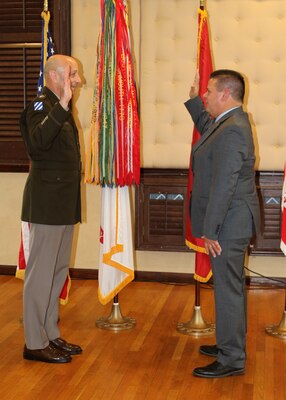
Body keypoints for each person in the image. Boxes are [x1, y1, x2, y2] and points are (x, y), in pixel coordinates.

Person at [184, 69, 260, 378]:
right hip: (230, 220)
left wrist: (211, 231)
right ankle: (230, 344)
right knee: (230, 287)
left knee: (228, 290)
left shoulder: (233, 129)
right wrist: (192, 101)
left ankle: (231, 359)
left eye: (209, 92)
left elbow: (224, 185)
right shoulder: (226, 123)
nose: (205, 96)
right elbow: (206, 129)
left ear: (225, 94)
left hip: (228, 223)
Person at [20, 54, 83, 363]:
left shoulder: (61, 109)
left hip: (63, 204)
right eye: (72, 75)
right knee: (41, 275)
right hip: (46, 204)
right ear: (56, 76)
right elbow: (37, 143)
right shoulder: (40, 107)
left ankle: (50, 334)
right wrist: (62, 106)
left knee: (57, 273)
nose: (77, 81)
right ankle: (34, 342)